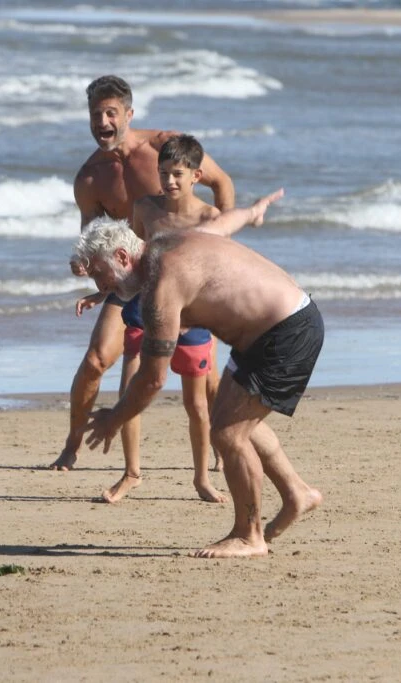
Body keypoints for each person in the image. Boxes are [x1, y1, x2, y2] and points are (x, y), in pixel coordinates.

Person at [74, 190, 324, 559]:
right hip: (271, 329)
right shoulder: (167, 242)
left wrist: (115, 418)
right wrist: (252, 212)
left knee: (227, 432)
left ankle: (248, 535)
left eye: (99, 274)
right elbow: (222, 224)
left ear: (123, 256)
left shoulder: (163, 286)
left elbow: (153, 379)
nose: (100, 286)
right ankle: (297, 493)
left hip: (285, 332)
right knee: (235, 419)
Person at [51, 75, 234, 471]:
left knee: (206, 380)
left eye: (110, 112)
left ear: (129, 115)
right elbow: (94, 238)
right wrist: (86, 265)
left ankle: (223, 446)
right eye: (95, 114)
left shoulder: (164, 148)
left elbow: (222, 184)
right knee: (97, 360)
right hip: (133, 279)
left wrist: (221, 251)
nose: (102, 121)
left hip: (186, 280)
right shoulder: (89, 178)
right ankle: (72, 443)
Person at [83, 134, 228, 504]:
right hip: (146, 309)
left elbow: (219, 271)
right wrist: (105, 291)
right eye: (164, 173)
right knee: (130, 389)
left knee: (195, 404)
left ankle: (202, 479)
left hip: (191, 318)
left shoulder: (209, 217)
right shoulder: (146, 209)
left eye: (178, 174)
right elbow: (133, 260)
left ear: (197, 176)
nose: (170, 181)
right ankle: (131, 474)